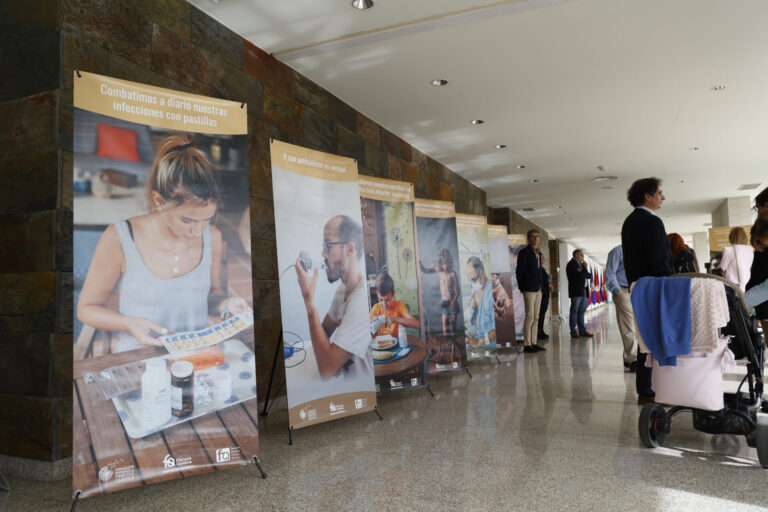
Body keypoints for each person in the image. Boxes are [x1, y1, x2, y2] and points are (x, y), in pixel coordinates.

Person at [77, 135, 250, 353]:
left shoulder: (211, 236)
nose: (198, 231)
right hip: (138, 356)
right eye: (188, 220)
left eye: (207, 220)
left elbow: (212, 298)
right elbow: (87, 309)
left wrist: (227, 305)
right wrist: (129, 323)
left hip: (195, 355)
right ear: (159, 202)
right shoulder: (120, 238)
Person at [295, 215, 372, 379]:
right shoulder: (342, 289)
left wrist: (309, 300)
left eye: (328, 246)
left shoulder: (362, 301)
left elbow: (326, 369)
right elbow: (324, 331)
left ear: (350, 250)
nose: (323, 253)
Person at [621, 177, 675, 405]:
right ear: (647, 196)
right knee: (657, 338)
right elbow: (659, 262)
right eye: (659, 193)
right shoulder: (652, 222)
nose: (663, 197)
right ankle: (651, 389)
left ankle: (646, 389)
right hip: (655, 288)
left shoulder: (629, 222)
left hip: (638, 287)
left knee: (645, 339)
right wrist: (671, 287)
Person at [605, 245, 638, 372]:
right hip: (623, 291)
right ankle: (633, 358)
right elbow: (610, 273)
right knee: (628, 326)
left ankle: (628, 357)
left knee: (636, 326)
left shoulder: (641, 250)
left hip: (638, 290)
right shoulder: (617, 251)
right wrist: (617, 291)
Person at [515, 229, 546, 352]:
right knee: (530, 316)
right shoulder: (524, 252)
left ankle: (534, 342)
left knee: (537, 316)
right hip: (528, 288)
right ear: (529, 239)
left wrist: (543, 285)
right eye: (533, 237)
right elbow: (519, 271)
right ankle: (527, 344)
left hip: (538, 288)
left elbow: (539, 272)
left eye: (537, 237)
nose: (535, 239)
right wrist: (522, 287)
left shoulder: (538, 253)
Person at [420, 249, 460, 338]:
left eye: (447, 264)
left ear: (450, 262)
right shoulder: (438, 270)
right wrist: (419, 263)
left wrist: (453, 301)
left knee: (453, 329)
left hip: (453, 302)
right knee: (445, 331)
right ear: (441, 262)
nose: (445, 266)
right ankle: (449, 349)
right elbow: (425, 271)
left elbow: (458, 290)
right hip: (444, 302)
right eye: (443, 263)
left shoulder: (453, 273)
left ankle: (453, 351)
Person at [369, 272, 420, 337]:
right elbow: (367, 332)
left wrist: (395, 319)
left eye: (387, 300)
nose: (384, 305)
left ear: (393, 294)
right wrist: (371, 323)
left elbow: (417, 324)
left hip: (396, 341)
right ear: (377, 294)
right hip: (381, 343)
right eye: (381, 300)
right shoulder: (376, 308)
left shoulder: (398, 305)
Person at [465, 256, 496, 346]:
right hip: (477, 336)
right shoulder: (474, 290)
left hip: (489, 342)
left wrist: (480, 342)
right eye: (470, 281)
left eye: (473, 280)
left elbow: (499, 328)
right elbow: (470, 313)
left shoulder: (493, 292)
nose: (473, 284)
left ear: (482, 274)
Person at [566, 249, 592, 339]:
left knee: (581, 311)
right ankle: (573, 331)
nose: (583, 257)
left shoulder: (581, 265)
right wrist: (584, 269)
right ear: (576, 255)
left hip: (584, 291)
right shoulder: (571, 264)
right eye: (581, 255)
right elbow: (580, 275)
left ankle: (582, 331)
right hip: (576, 291)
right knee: (574, 311)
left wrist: (583, 270)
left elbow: (589, 276)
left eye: (583, 255)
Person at [719, 226, 753, 292]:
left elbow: (722, 268)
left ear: (731, 236)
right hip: (747, 283)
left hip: (732, 286)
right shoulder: (750, 250)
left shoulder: (728, 250)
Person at [537, 253, 553, 340]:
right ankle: (539, 331)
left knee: (542, 313)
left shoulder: (542, 268)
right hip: (542, 294)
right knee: (541, 313)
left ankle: (541, 330)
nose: (544, 259)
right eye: (542, 257)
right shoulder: (538, 269)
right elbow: (542, 281)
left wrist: (549, 284)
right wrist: (548, 284)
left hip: (545, 293)